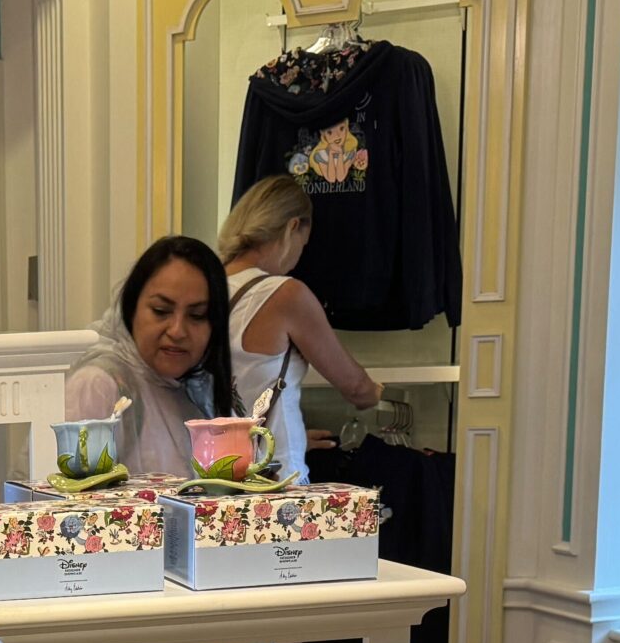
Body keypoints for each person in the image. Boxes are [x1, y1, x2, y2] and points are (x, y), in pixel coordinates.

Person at [219, 175, 387, 474]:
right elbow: (355, 387)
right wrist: (378, 393)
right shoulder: (285, 295)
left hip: (215, 471)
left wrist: (297, 436)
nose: (298, 258)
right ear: (293, 227)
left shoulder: (206, 285)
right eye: (302, 245)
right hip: (274, 481)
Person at [64, 235, 237, 480]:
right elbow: (58, 507)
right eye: (161, 311)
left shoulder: (198, 389)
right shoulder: (98, 385)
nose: (177, 330)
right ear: (131, 308)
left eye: (197, 315)